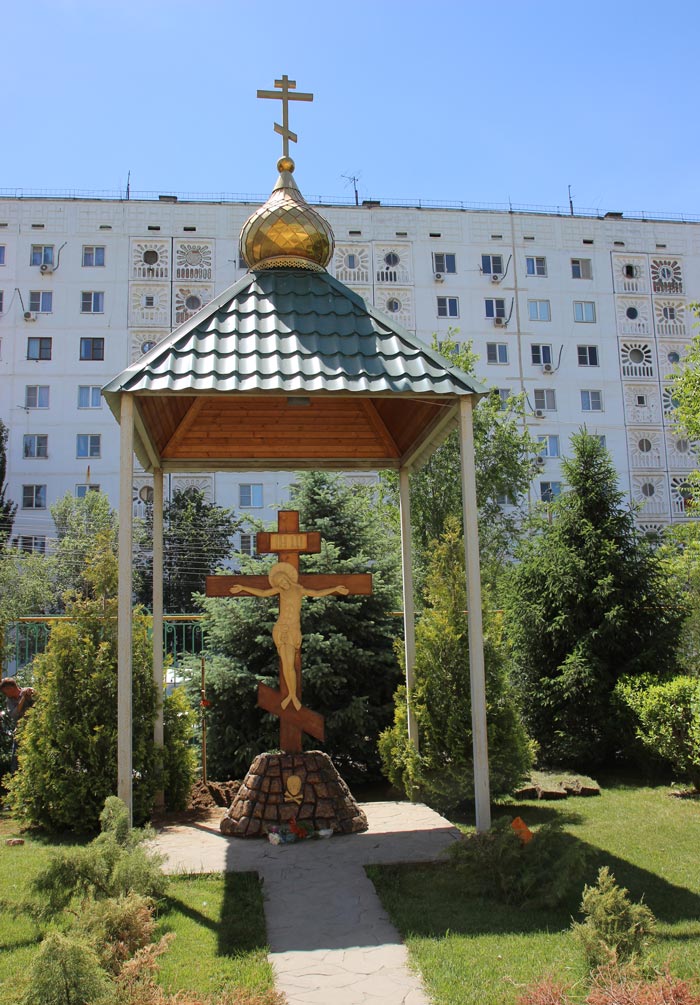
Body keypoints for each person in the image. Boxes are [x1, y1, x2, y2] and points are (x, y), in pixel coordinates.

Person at [229, 562, 349, 711]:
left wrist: (335, 589)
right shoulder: (279, 590)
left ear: (287, 578)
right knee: (285, 664)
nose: (282, 584)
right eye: (279, 583)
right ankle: (290, 695)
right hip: (280, 629)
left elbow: (317, 593)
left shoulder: (298, 589)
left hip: (292, 629)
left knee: (290, 664)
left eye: (283, 580)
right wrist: (243, 587)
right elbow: (262, 592)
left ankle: (292, 695)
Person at [0, 677, 36, 771]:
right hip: (20, 729)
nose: (5, 694)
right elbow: (14, 714)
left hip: (34, 728)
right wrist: (23, 698)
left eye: (5, 692)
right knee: (16, 758)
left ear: (10, 688)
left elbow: (40, 701)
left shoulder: (27, 692)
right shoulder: (9, 701)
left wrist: (33, 692)